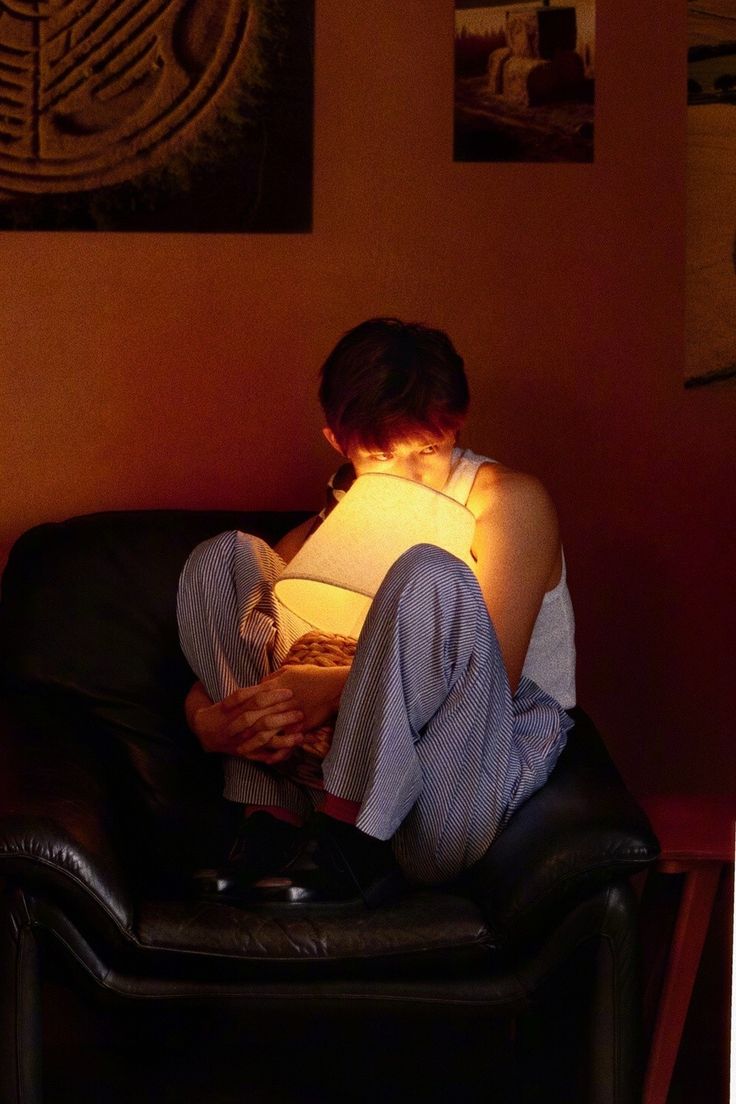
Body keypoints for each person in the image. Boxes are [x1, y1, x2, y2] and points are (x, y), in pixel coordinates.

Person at [176, 317, 575, 906]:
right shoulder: (336, 520)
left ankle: (347, 834)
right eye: (385, 455)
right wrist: (207, 722)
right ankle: (268, 822)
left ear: (456, 424)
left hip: (456, 779)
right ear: (338, 442)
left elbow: (495, 675)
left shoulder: (507, 502)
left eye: (430, 449)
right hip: (321, 772)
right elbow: (247, 651)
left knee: (430, 572)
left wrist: (324, 687)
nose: (412, 473)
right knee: (224, 559)